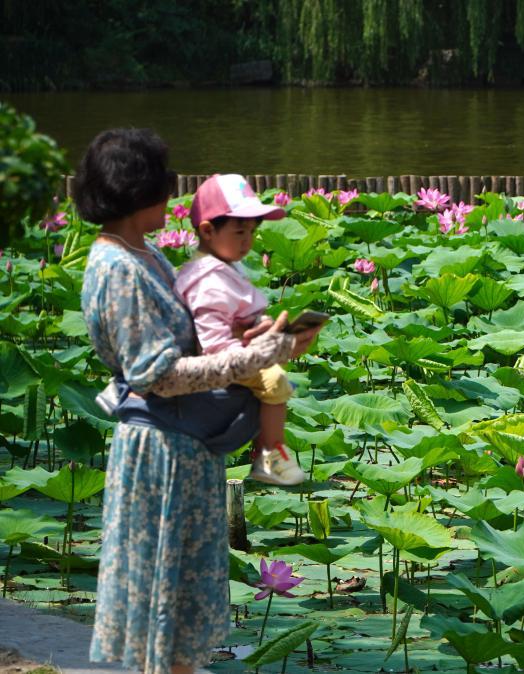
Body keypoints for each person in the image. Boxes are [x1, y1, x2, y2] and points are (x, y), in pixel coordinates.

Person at [74, 128, 322, 674]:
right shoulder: (117, 268)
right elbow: (156, 375)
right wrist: (256, 358)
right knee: (163, 600)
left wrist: (261, 344)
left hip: (186, 447)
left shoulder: (149, 257)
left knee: (184, 605)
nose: (172, 196)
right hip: (158, 450)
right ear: (136, 191)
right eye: (164, 184)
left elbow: (201, 345)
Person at [174, 174, 305, 486]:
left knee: (275, 364)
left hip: (233, 352)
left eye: (251, 231)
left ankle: (263, 452)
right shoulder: (207, 281)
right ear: (207, 230)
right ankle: (270, 457)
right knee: (275, 380)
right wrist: (256, 352)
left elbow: (234, 320)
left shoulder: (224, 267)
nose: (247, 240)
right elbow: (213, 346)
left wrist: (258, 329)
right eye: (239, 231)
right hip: (208, 367)